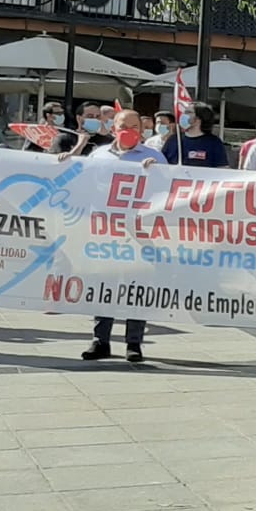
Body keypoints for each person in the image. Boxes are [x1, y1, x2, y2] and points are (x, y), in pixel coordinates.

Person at [79, 110, 164, 362]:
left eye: (135, 126)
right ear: (113, 127)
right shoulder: (99, 155)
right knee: (104, 285)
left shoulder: (154, 157)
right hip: (106, 231)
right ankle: (100, 340)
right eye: (124, 125)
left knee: (137, 287)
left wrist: (156, 173)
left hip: (140, 234)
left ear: (142, 128)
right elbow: (83, 186)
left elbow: (167, 193)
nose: (129, 130)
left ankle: (134, 343)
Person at [165, 103, 231, 169]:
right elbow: (162, 162)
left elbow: (222, 168)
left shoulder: (214, 142)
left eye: (188, 112)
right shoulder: (174, 139)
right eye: (183, 112)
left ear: (199, 118)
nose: (183, 115)